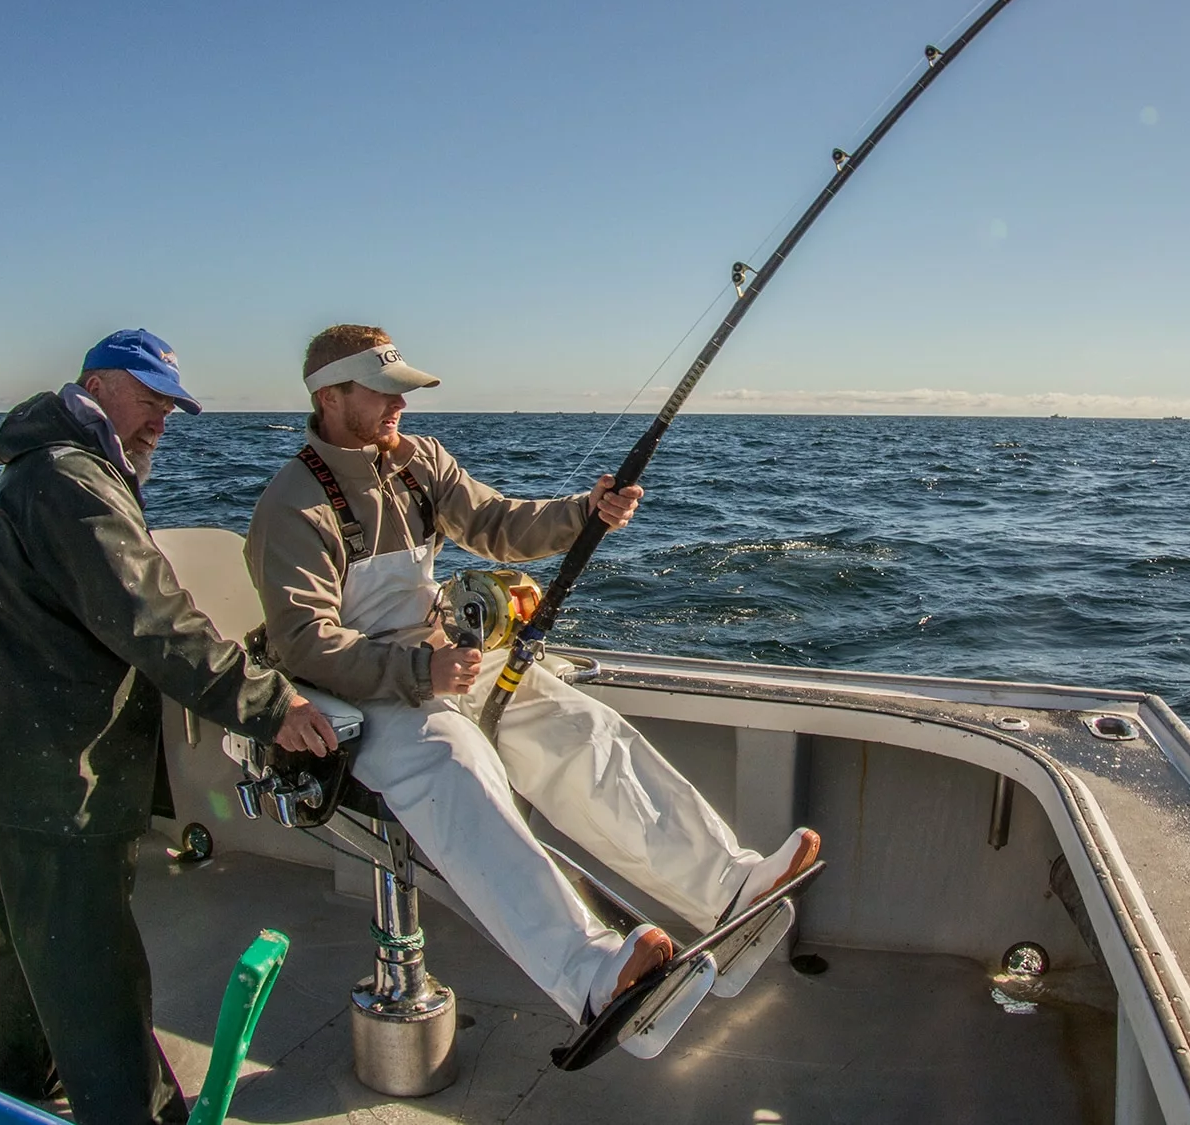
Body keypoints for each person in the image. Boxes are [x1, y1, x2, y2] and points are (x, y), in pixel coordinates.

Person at [245, 324, 818, 1026]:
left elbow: (497, 523)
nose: (401, 404)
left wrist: (585, 512)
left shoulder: (420, 461)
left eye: (403, 389)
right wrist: (422, 670)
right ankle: (592, 975)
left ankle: (728, 886)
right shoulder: (290, 505)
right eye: (383, 390)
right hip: (362, 689)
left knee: (578, 723)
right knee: (457, 764)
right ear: (330, 396)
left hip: (442, 660)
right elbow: (304, 644)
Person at [0, 329, 338, 1125]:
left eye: (169, 405)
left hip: (23, 765)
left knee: (31, 937)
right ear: (95, 384)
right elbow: (158, 624)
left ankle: (12, 1090)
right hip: (62, 775)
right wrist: (275, 706)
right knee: (91, 964)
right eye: (147, 397)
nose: (159, 420)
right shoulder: (71, 482)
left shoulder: (56, 470)